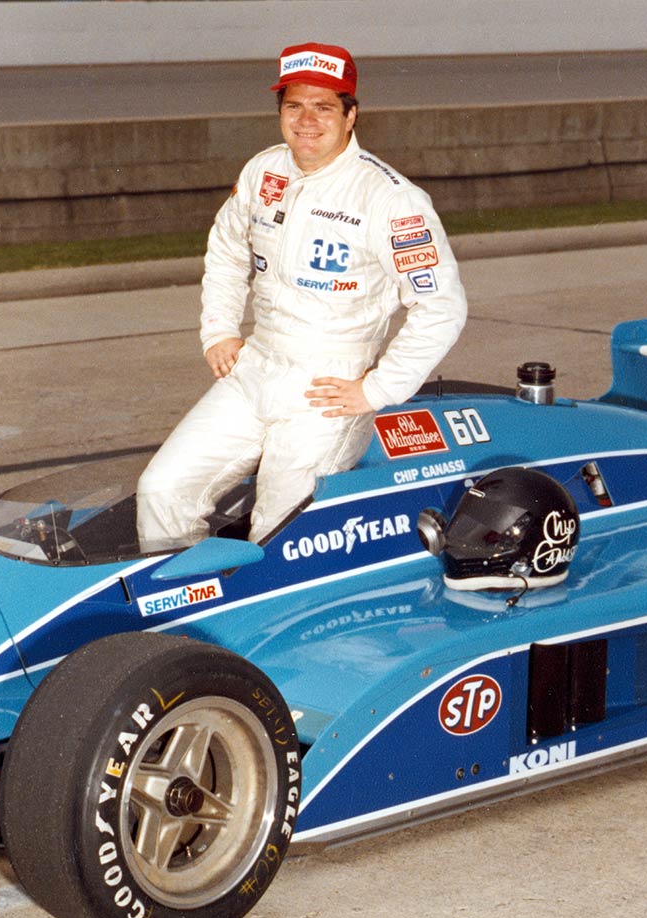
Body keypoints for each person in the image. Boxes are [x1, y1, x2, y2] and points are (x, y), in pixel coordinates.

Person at [136, 41, 469, 550]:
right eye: (294, 105)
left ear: (351, 114)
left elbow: (442, 305)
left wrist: (377, 390)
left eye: (324, 106)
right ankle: (183, 622)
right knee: (161, 490)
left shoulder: (391, 199)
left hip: (329, 390)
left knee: (278, 530)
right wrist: (220, 329)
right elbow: (226, 249)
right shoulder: (263, 172)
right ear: (280, 112)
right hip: (255, 368)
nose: (306, 120)